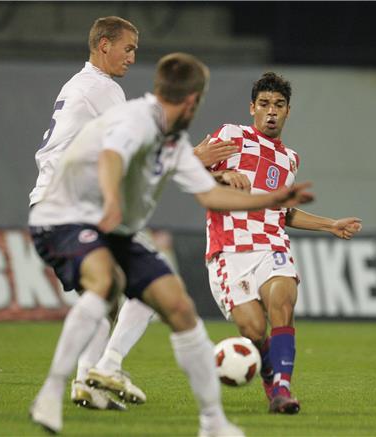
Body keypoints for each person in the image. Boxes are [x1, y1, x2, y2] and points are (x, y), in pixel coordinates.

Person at [27, 52, 313, 436]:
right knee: (104, 285)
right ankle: (53, 390)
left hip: (114, 227)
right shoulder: (137, 118)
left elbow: (211, 197)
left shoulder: (174, 141)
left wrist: (270, 200)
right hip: (68, 214)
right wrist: (112, 200)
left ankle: (213, 423)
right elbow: (112, 155)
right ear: (192, 99)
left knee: (177, 305)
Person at [31, 16, 238, 410]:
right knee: (148, 286)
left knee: (111, 292)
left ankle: (86, 382)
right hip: (72, 206)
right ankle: (103, 367)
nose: (131, 57)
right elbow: (139, 155)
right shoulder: (103, 89)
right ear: (103, 45)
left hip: (57, 202)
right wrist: (196, 156)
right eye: (127, 48)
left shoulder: (82, 84)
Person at [203, 72, 362, 414]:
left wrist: (331, 225)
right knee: (254, 328)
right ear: (252, 108)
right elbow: (187, 165)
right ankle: (269, 376)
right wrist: (220, 175)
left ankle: (283, 390)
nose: (271, 111)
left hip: (272, 244)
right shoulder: (231, 136)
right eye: (264, 104)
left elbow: (284, 213)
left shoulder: (289, 159)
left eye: (278, 105)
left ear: (288, 111)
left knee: (283, 301)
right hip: (229, 248)